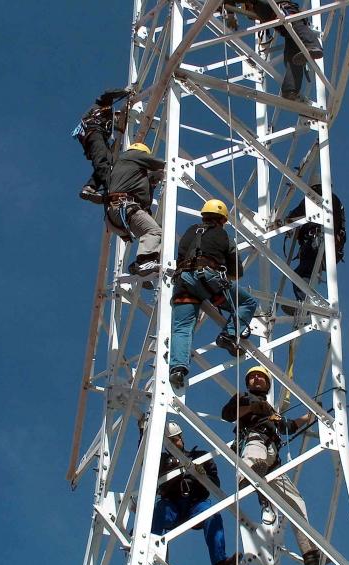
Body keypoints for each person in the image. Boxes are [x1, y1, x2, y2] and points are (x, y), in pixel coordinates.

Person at [221, 366, 321, 565]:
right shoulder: (242, 398)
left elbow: (288, 426)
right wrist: (252, 408)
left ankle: (308, 548)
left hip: (273, 459)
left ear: (267, 384)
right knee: (255, 452)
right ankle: (246, 477)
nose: (257, 379)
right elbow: (228, 414)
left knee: (296, 502)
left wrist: (309, 416)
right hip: (254, 440)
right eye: (253, 377)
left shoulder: (272, 411)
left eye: (261, 377)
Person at [168, 199, 258, 389]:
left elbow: (182, 256)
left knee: (182, 328)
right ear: (222, 220)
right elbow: (237, 272)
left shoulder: (189, 232)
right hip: (208, 278)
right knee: (247, 303)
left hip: (183, 282)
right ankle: (229, 335)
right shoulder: (223, 235)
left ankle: (177, 369)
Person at [153, 422, 239, 565]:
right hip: (172, 505)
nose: (174, 444)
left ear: (181, 438)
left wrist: (203, 476)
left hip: (196, 505)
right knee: (159, 511)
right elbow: (144, 460)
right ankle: (151, 550)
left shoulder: (200, 456)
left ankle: (220, 562)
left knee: (212, 514)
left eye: (175, 440)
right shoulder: (161, 461)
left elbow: (215, 483)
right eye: (170, 442)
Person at [284, 174, 346, 312]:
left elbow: (294, 215)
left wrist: (285, 221)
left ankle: (306, 303)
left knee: (301, 273)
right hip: (331, 247)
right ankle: (307, 302)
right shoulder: (335, 201)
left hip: (316, 244)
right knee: (306, 272)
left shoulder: (315, 198)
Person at [105, 142, 166, 277]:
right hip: (124, 207)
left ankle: (141, 265)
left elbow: (144, 180)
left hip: (115, 215)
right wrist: (171, 168)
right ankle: (144, 262)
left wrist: (153, 180)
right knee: (155, 232)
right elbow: (158, 164)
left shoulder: (126, 168)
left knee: (155, 235)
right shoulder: (133, 155)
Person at [243, 1, 323, 100]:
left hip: (287, 14)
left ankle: (313, 46)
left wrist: (230, 14)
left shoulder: (260, 5)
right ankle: (290, 89)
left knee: (296, 25)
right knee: (292, 56)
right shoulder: (259, 9)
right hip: (284, 26)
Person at [72, 87, 131, 203]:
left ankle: (91, 187)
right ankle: (112, 187)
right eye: (117, 115)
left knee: (109, 163)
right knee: (102, 161)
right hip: (93, 133)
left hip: (96, 137)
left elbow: (120, 127)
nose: (117, 118)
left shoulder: (108, 125)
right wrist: (125, 92)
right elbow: (108, 94)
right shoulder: (102, 105)